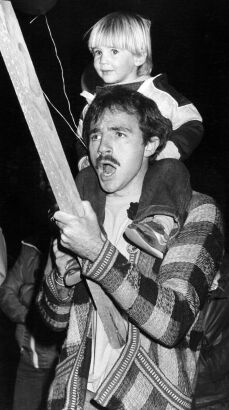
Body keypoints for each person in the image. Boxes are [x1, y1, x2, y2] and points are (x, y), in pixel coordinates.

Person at [37, 87, 224, 410]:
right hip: (73, 396)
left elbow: (173, 323)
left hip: (146, 398)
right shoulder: (81, 212)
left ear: (151, 144)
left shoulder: (195, 212)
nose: (103, 147)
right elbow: (51, 320)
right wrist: (61, 277)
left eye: (120, 133)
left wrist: (97, 252)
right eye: (95, 136)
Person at [75, 11, 204, 260]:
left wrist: (172, 149)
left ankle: (158, 226)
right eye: (97, 53)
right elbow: (81, 136)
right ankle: (78, 244)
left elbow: (193, 120)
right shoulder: (93, 102)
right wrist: (84, 159)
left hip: (152, 166)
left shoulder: (156, 92)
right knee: (85, 175)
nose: (102, 61)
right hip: (113, 172)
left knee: (171, 169)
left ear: (139, 55)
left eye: (114, 52)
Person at [0, 229, 65, 410]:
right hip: (27, 358)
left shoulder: (75, 256)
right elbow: (6, 292)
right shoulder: (33, 249)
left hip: (58, 366)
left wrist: (27, 293)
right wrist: (31, 317)